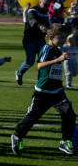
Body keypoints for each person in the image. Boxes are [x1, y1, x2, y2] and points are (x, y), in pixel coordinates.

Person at [11, 24, 75, 156]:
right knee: (32, 118)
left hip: (57, 92)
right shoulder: (46, 48)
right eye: (61, 38)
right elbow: (40, 65)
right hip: (43, 92)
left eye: (65, 37)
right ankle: (17, 137)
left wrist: (57, 78)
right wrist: (59, 59)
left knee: (69, 113)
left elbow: (53, 70)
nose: (63, 40)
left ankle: (64, 141)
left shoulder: (57, 50)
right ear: (50, 37)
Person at [16, 0, 52, 85]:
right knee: (30, 61)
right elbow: (32, 21)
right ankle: (19, 73)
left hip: (41, 40)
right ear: (40, 2)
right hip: (30, 40)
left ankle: (41, 81)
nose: (47, 7)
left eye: (48, 5)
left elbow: (48, 24)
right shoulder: (32, 11)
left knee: (43, 62)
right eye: (45, 4)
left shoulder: (46, 12)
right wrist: (40, 26)